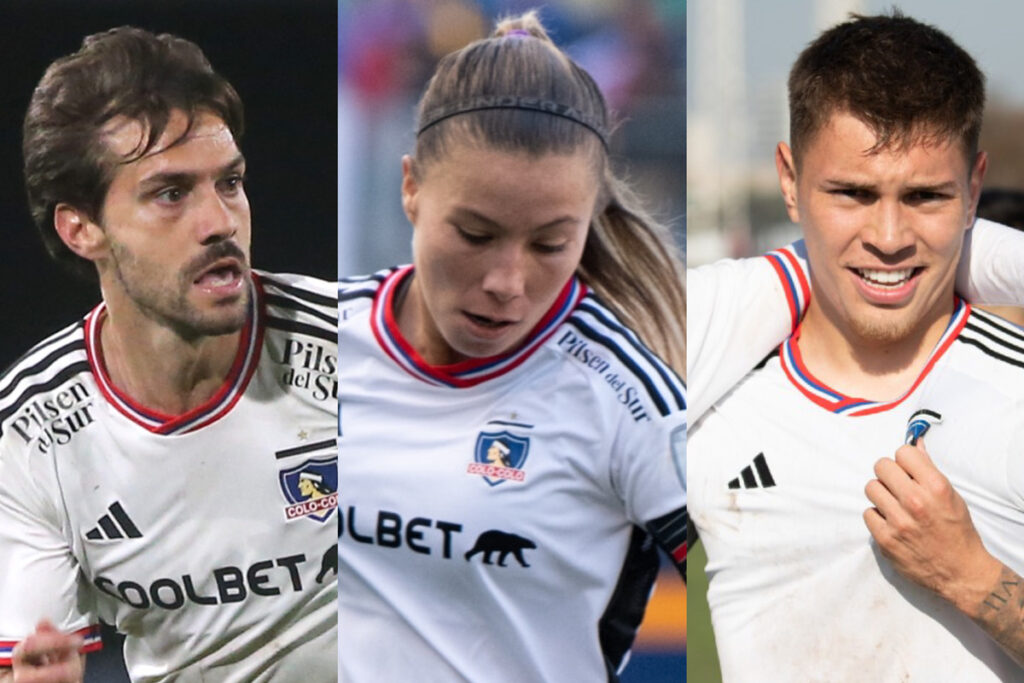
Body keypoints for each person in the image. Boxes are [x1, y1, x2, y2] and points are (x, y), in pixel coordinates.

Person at [337, 12, 685, 682]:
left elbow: (761, 590)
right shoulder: (320, 342)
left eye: (551, 244)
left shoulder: (628, 399)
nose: (506, 282)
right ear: (410, 187)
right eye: (473, 233)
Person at [689, 12, 1024, 681]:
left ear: (973, 190)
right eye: (853, 193)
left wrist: (975, 579)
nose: (890, 235)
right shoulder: (710, 399)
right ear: (789, 179)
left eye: (926, 196)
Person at [0, 28, 338, 682]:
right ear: (82, 229)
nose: (219, 222)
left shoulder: (355, 350)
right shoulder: (29, 437)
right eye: (171, 193)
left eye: (231, 182)